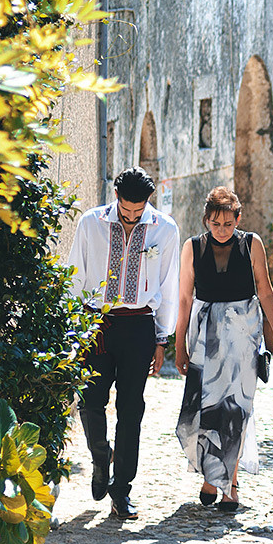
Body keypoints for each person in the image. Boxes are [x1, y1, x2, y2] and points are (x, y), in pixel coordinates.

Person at [65, 168, 181, 521]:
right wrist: (74, 330)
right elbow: (74, 275)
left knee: (132, 410)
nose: (131, 216)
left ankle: (122, 490)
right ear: (116, 197)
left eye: (138, 210)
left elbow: (169, 284)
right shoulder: (91, 223)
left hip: (140, 326)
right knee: (91, 400)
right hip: (97, 324)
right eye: (126, 209)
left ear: (148, 202)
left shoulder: (166, 228)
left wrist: (162, 338)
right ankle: (101, 456)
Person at [173, 187, 273, 514]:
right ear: (206, 220)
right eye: (215, 223)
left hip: (243, 333)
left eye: (227, 223)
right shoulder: (192, 247)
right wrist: (179, 346)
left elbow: (265, 292)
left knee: (236, 408)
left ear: (238, 219)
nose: (221, 229)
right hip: (206, 335)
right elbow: (183, 300)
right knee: (206, 407)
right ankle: (212, 478)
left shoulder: (251, 244)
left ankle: (230, 483)